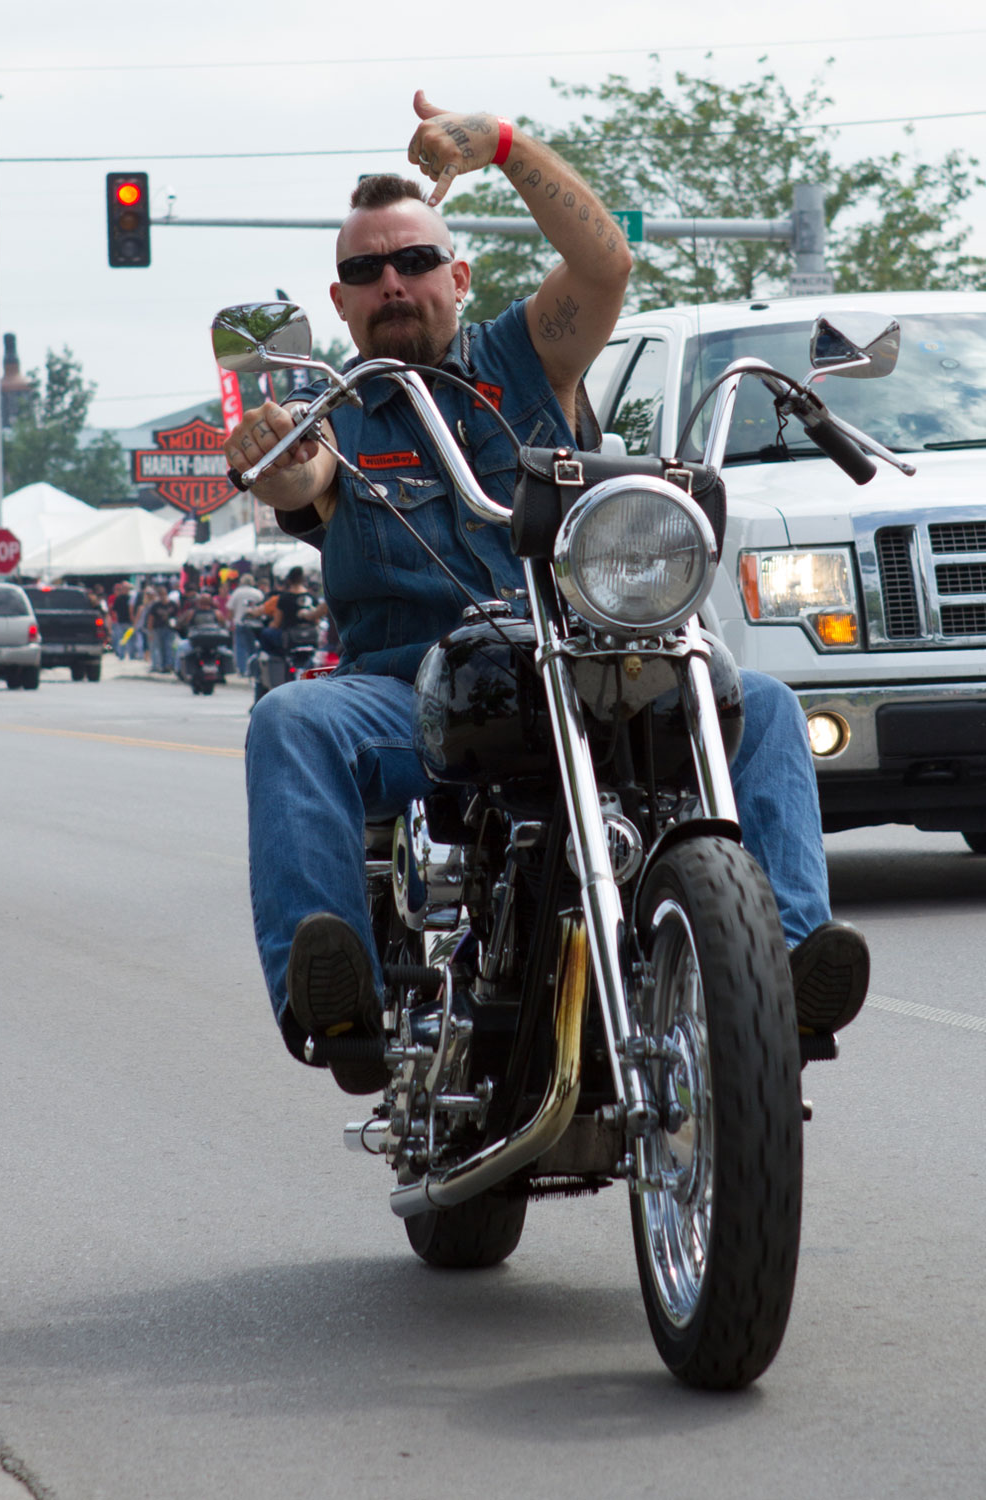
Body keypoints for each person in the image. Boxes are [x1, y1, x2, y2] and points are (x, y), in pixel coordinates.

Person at [227, 91, 869, 1092]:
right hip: (409, 697)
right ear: (341, 302)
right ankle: (339, 997)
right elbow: (295, 478)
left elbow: (605, 264)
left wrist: (504, 146)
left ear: (457, 275)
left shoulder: (526, 359)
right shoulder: (334, 411)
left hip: (584, 666)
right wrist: (267, 452)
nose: (392, 281)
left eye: (414, 260)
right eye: (365, 272)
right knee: (291, 720)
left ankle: (780, 972)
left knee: (768, 707)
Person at [228, 571, 265, 675]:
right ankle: (254, 668)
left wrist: (230, 621)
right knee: (254, 646)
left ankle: (242, 669)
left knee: (240, 646)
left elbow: (230, 609)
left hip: (240, 622)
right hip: (255, 624)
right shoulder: (258, 593)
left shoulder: (237, 593)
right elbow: (263, 607)